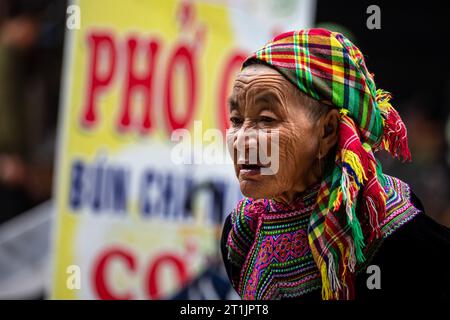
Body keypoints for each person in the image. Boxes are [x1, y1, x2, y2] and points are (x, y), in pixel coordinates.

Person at [220, 28, 450, 300]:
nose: (242, 140)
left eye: (267, 119)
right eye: (236, 120)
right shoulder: (243, 229)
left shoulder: (387, 227)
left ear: (327, 131)